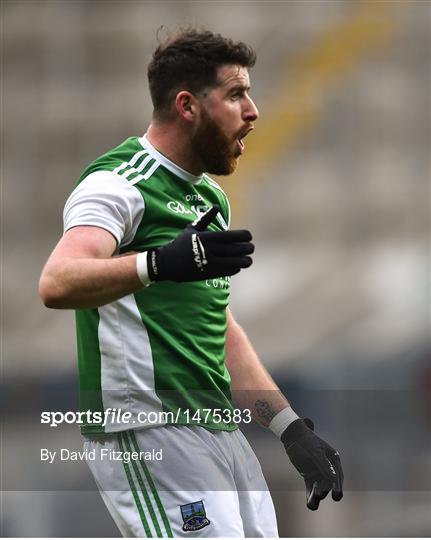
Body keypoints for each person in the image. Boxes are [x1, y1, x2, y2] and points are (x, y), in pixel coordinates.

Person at [39, 29, 343, 538]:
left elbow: (217, 325)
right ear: (187, 105)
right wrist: (156, 264)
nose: (253, 110)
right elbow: (57, 280)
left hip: (217, 429)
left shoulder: (210, 199)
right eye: (235, 93)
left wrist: (288, 428)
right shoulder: (120, 182)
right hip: (148, 430)